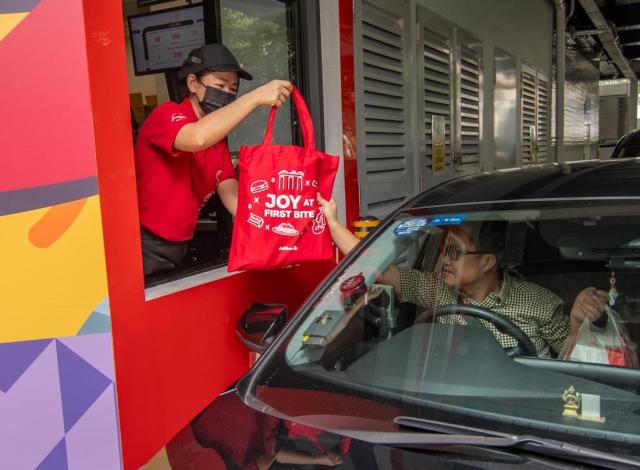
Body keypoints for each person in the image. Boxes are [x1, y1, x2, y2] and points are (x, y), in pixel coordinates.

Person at [316, 195, 608, 358]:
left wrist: (575, 324)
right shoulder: (434, 289)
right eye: (444, 251)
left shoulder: (540, 303)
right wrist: (332, 222)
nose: (444, 260)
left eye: (455, 253)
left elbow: (572, 367)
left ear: (487, 262)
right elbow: (375, 266)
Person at [135, 43, 293, 275]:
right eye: (220, 85)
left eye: (233, 88)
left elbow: (234, 198)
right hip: (145, 241)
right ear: (192, 83)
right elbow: (197, 138)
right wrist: (256, 97)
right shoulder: (167, 114)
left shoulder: (218, 143)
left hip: (180, 242)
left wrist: (278, 240)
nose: (227, 93)